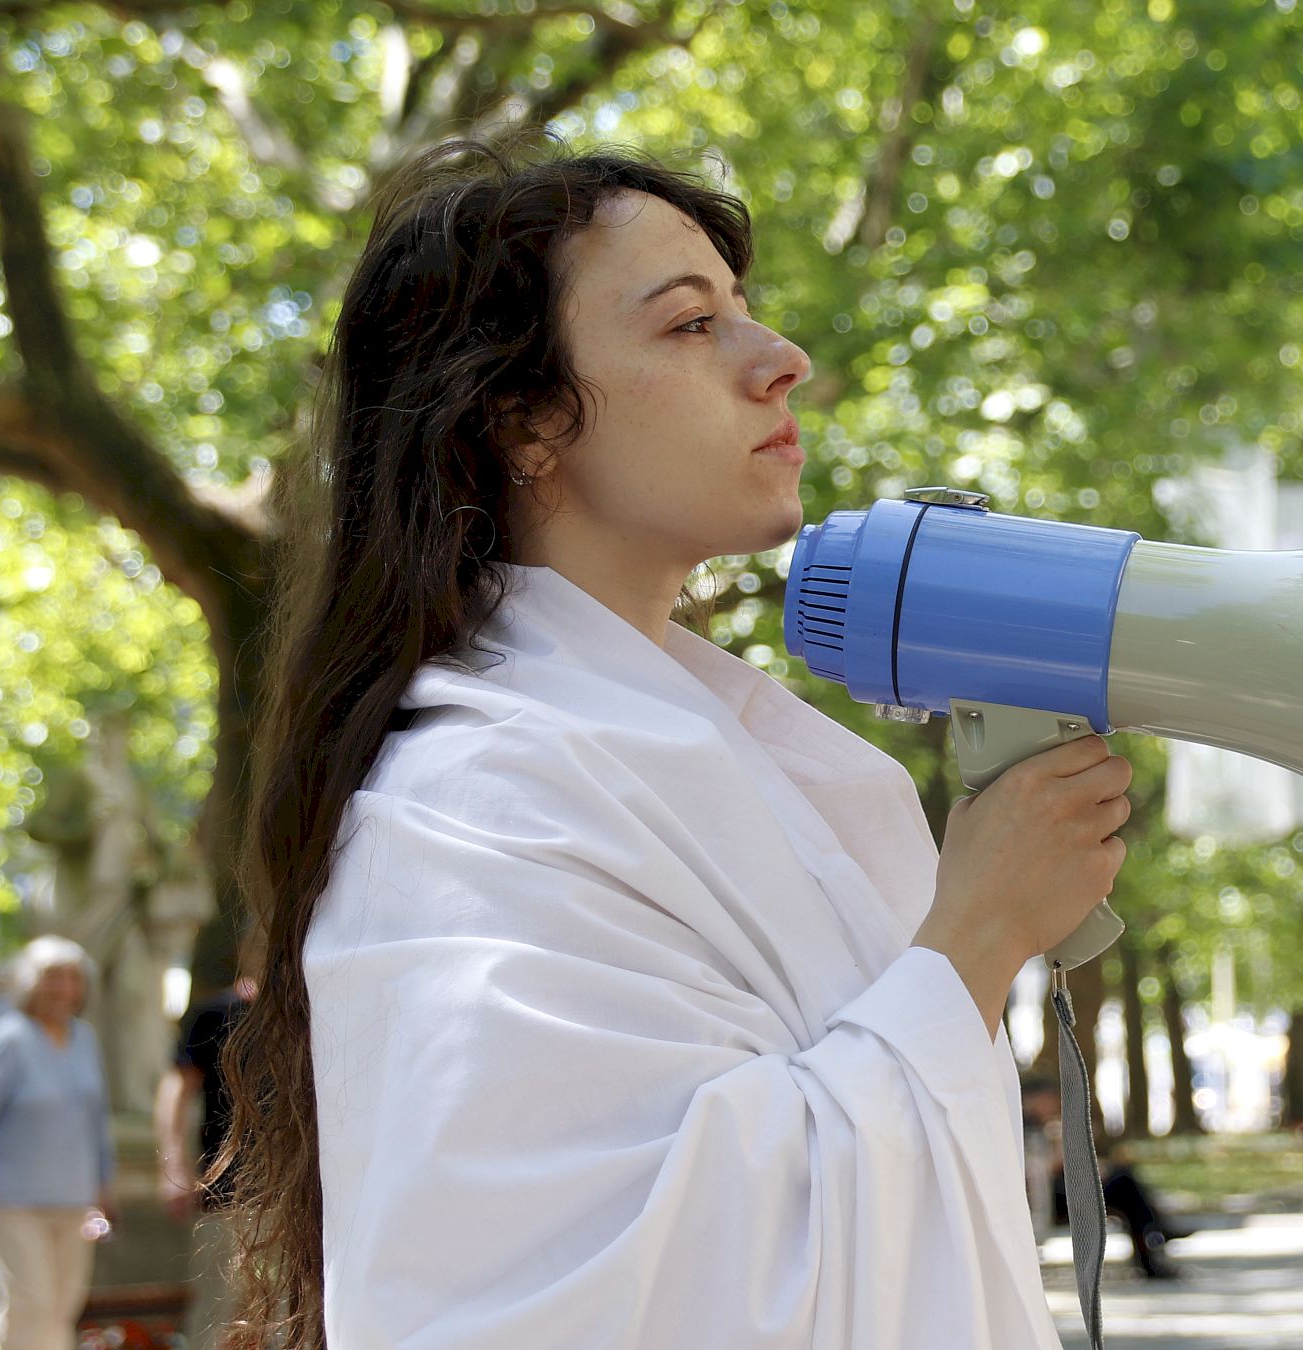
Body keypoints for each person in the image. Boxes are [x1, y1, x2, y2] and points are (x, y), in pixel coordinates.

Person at [218, 138, 1134, 1349]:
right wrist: (978, 932)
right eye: (692, 326)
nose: (781, 362)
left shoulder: (741, 756)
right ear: (524, 421)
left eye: (744, 312)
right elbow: (585, 1290)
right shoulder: (467, 805)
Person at [0, 935, 116, 1350]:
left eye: (73, 978)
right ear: (29, 983)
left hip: (74, 1198)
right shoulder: (7, 1038)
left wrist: (104, 1184)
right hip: (11, 1199)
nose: (64, 989)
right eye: (52, 978)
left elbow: (96, 1119)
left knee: (63, 1306)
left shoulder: (85, 1039)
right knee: (30, 1302)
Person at [155, 975, 255, 1350]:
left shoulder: (310, 1007)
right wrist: (173, 1167)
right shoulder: (216, 1013)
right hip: (225, 1192)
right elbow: (176, 1089)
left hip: (303, 1197)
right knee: (218, 1310)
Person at [1020, 1077, 1183, 1279]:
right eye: (1051, 1099)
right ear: (1037, 1099)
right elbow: (1039, 1170)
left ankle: (1153, 1236)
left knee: (1123, 1178)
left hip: (1062, 1190)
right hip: (1047, 1198)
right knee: (1124, 1185)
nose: (1055, 1104)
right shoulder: (1026, 1128)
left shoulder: (1042, 1125)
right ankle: (1154, 1236)